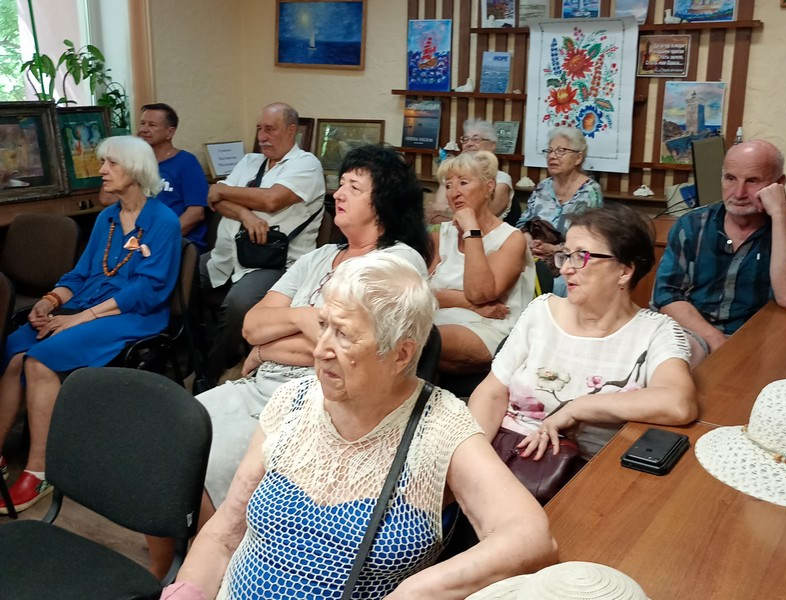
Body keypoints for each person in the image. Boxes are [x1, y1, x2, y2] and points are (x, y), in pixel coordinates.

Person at [159, 252, 557, 600]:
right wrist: (187, 592)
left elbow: (531, 538)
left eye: (343, 335)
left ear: (401, 354)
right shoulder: (292, 402)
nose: (320, 349)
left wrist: (415, 591)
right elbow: (225, 531)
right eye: (323, 325)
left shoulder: (439, 426)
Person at [145, 145, 434, 579]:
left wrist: (268, 348)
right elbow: (252, 325)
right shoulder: (319, 257)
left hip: (318, 397)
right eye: (340, 184)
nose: (338, 194)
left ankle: (217, 572)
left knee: (210, 460)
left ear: (383, 203)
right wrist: (302, 318)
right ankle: (164, 570)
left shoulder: (396, 262)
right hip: (259, 384)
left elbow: (352, 351)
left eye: (354, 188)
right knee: (169, 432)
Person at [0, 135, 181, 514]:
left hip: (134, 315)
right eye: (103, 163)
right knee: (16, 348)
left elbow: (148, 291)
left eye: (111, 163)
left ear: (135, 170)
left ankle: (39, 471)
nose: (101, 170)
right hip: (88, 304)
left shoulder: (163, 221)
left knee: (41, 359)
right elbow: (81, 274)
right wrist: (50, 302)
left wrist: (78, 319)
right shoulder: (107, 218)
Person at [469, 203, 697, 494]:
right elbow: (491, 392)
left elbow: (678, 403)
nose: (565, 268)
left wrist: (579, 407)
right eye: (565, 255)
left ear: (624, 271)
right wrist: (474, 460)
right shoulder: (541, 311)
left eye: (581, 257)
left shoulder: (656, 332)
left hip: (584, 480)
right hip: (504, 454)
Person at [200, 102, 325, 383]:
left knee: (238, 304)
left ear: (291, 130)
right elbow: (215, 201)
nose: (262, 137)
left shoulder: (306, 165)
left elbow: (271, 200)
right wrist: (245, 215)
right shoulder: (249, 162)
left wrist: (222, 190)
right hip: (228, 255)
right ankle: (193, 354)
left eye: (270, 129)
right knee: (180, 277)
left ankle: (215, 371)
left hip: (274, 263)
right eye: (259, 129)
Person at [651, 139, 786, 364]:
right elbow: (666, 295)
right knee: (674, 359)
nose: (739, 193)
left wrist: (780, 215)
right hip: (695, 333)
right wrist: (717, 341)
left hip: (762, 344)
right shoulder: (692, 225)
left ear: (779, 184)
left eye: (752, 181)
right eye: (730, 178)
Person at [431, 150, 534, 373]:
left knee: (417, 339)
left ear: (489, 187)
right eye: (448, 185)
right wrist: (469, 305)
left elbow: (480, 293)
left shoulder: (511, 239)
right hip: (437, 317)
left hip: (490, 328)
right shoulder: (442, 234)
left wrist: (471, 230)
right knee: (397, 335)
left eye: (463, 183)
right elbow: (421, 294)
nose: (454, 193)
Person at [99, 103, 209, 249]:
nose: (144, 129)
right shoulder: (134, 163)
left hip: (174, 242)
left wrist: (157, 239)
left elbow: (196, 213)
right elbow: (106, 199)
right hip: (135, 239)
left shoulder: (186, 162)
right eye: (142, 124)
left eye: (152, 125)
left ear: (170, 132)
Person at [516, 126, 603, 295]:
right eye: (549, 151)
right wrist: (528, 240)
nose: (552, 156)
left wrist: (554, 249)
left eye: (561, 151)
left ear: (578, 157)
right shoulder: (543, 187)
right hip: (535, 260)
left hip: (570, 265)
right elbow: (522, 224)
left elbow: (592, 239)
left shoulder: (590, 192)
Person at [428, 119, 515, 223]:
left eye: (476, 139)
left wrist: (445, 211)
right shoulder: (450, 174)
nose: (469, 144)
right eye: (465, 139)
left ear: (492, 145)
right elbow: (435, 216)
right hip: (448, 231)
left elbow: (484, 217)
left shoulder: (501, 179)